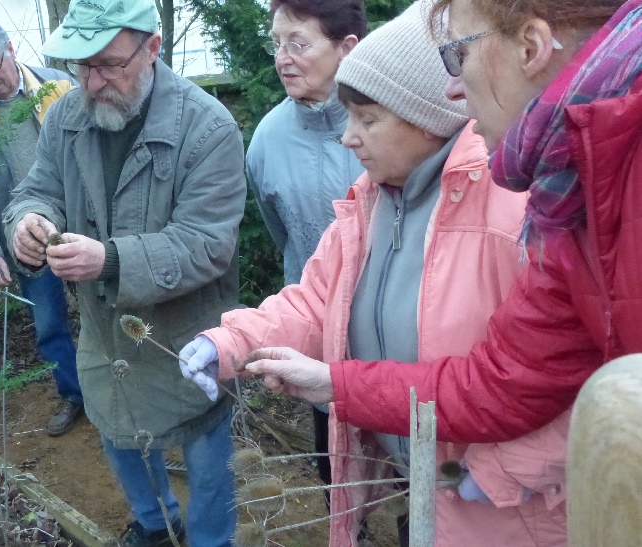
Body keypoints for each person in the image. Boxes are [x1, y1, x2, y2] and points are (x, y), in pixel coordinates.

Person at [180, 2, 570, 545]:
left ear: (426, 117)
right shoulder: (370, 202)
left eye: (368, 119)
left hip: (510, 511)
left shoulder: (515, 210)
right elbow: (316, 300)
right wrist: (229, 341)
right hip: (419, 477)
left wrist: (501, 473)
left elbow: (576, 373)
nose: (348, 138)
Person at [232, 0, 640, 479]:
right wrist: (332, 382)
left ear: (530, 46)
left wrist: (501, 476)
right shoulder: (569, 199)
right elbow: (507, 379)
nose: (452, 91)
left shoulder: (537, 205)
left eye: (458, 57)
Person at [3, 0, 247, 544]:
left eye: (109, 64)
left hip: (189, 340)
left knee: (207, 460)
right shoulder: (66, 116)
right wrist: (30, 220)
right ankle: (156, 522)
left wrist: (110, 259)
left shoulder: (208, 127)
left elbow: (209, 245)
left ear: (153, 48)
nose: (92, 82)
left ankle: (210, 539)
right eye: (80, 67)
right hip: (104, 332)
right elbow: (38, 187)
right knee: (117, 429)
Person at [246, 0, 365, 508]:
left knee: (406, 461)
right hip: (319, 334)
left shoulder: (399, 125)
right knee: (333, 460)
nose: (283, 57)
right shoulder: (266, 141)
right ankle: (349, 528)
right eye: (277, 43)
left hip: (396, 333)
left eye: (299, 42)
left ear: (346, 47)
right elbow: (285, 235)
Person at [0, 16, 85, 437]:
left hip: (83, 226)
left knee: (108, 310)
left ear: (10, 49)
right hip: (23, 239)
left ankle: (125, 390)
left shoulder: (60, 87)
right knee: (48, 326)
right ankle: (76, 396)